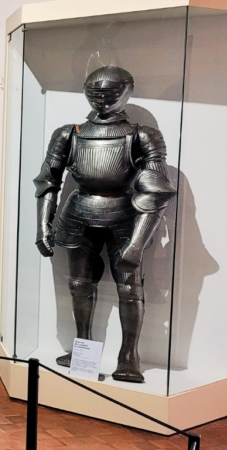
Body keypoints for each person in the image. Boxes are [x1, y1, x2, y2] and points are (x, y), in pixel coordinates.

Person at [34, 66, 176, 383]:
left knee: (130, 287)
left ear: (126, 91)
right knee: (79, 285)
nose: (102, 99)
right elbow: (47, 182)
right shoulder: (68, 134)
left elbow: (156, 191)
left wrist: (137, 242)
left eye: (110, 92)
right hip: (79, 212)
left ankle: (129, 357)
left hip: (124, 214)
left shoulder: (142, 135)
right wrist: (43, 225)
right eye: (95, 92)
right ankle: (82, 349)